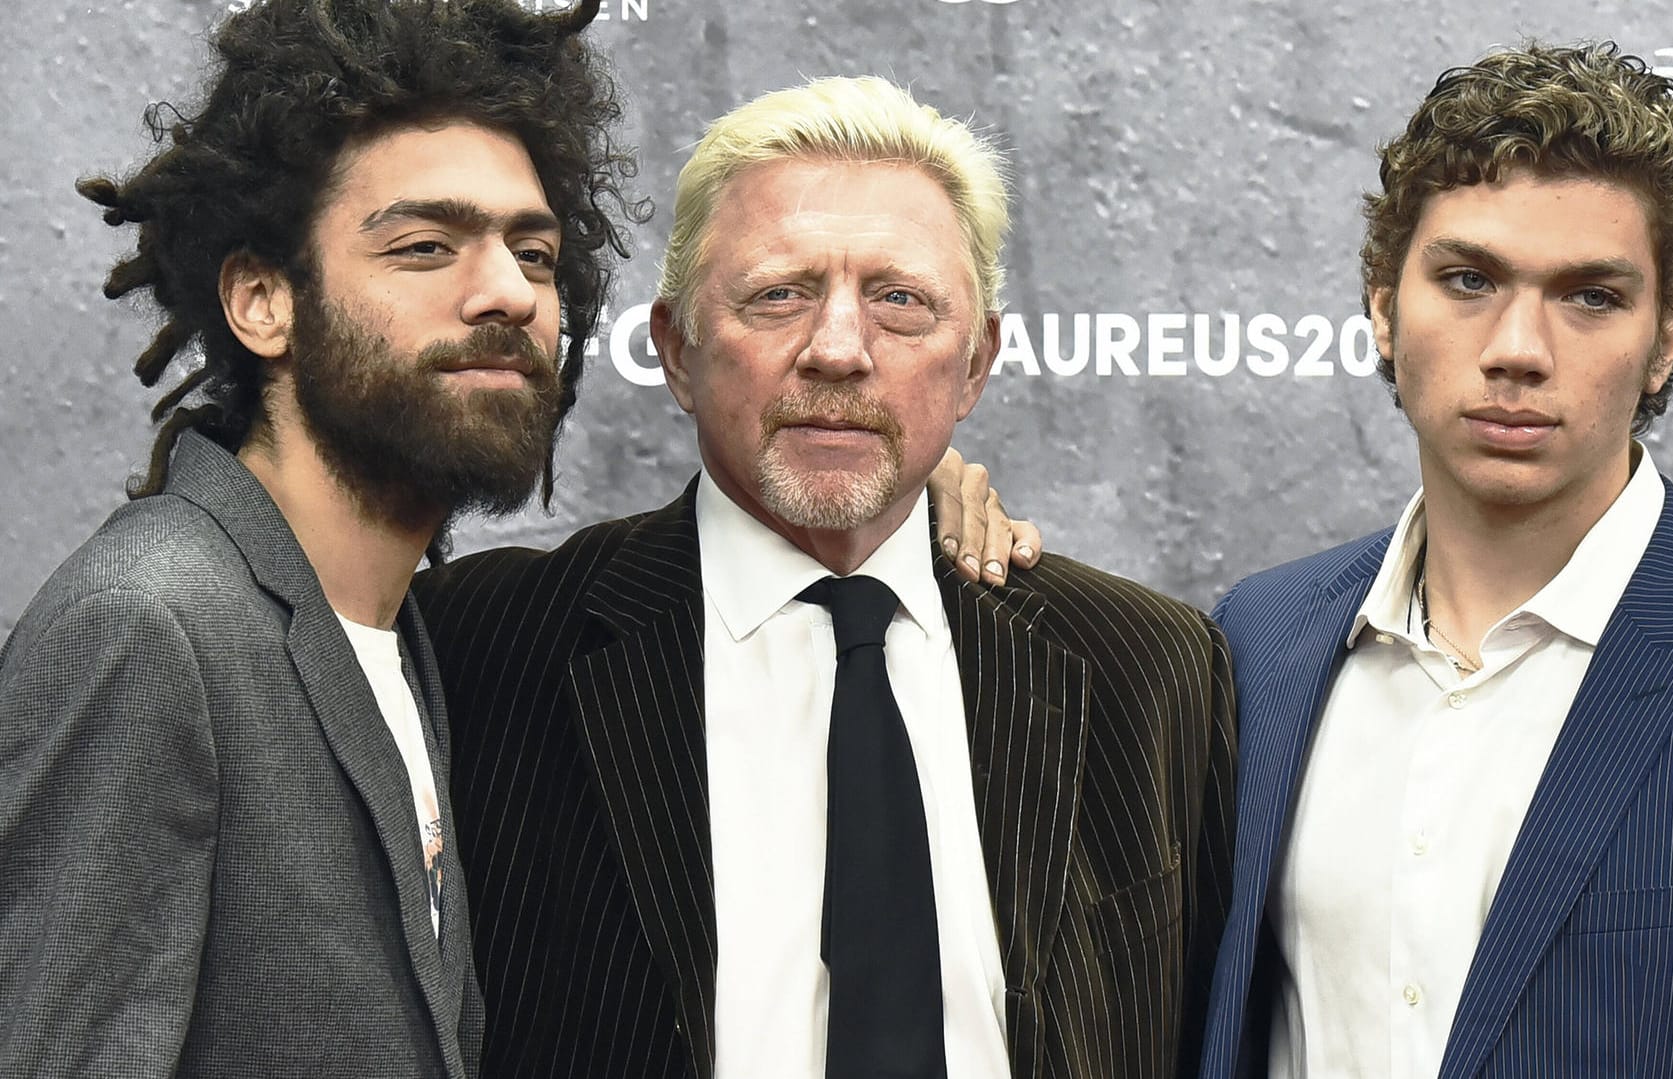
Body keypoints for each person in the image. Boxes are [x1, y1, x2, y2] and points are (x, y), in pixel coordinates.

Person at [0, 4, 1017, 1076]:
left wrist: (872, 469)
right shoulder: (150, 622)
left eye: (532, 252)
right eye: (425, 245)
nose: (503, 292)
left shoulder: (416, 633)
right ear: (261, 299)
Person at [414, 76, 1237, 1079]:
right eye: (780, 294)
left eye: (899, 299)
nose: (839, 349)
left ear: (975, 363)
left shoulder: (1150, 665)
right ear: (676, 349)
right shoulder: (481, 644)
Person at [1199, 41, 1673, 1078]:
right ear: (1381, 306)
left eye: (1590, 296)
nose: (1519, 347)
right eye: (1467, 278)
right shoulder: (1256, 639)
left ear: (1669, 337)